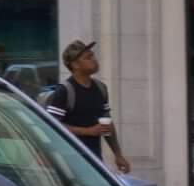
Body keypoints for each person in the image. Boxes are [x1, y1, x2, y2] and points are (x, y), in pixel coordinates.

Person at [43, 40, 131, 174]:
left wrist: (118, 155)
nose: (94, 60)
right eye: (88, 57)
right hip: (69, 162)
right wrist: (88, 131)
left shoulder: (101, 88)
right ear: (75, 64)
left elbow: (107, 123)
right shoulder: (65, 91)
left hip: (94, 159)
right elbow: (51, 125)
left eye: (93, 55)